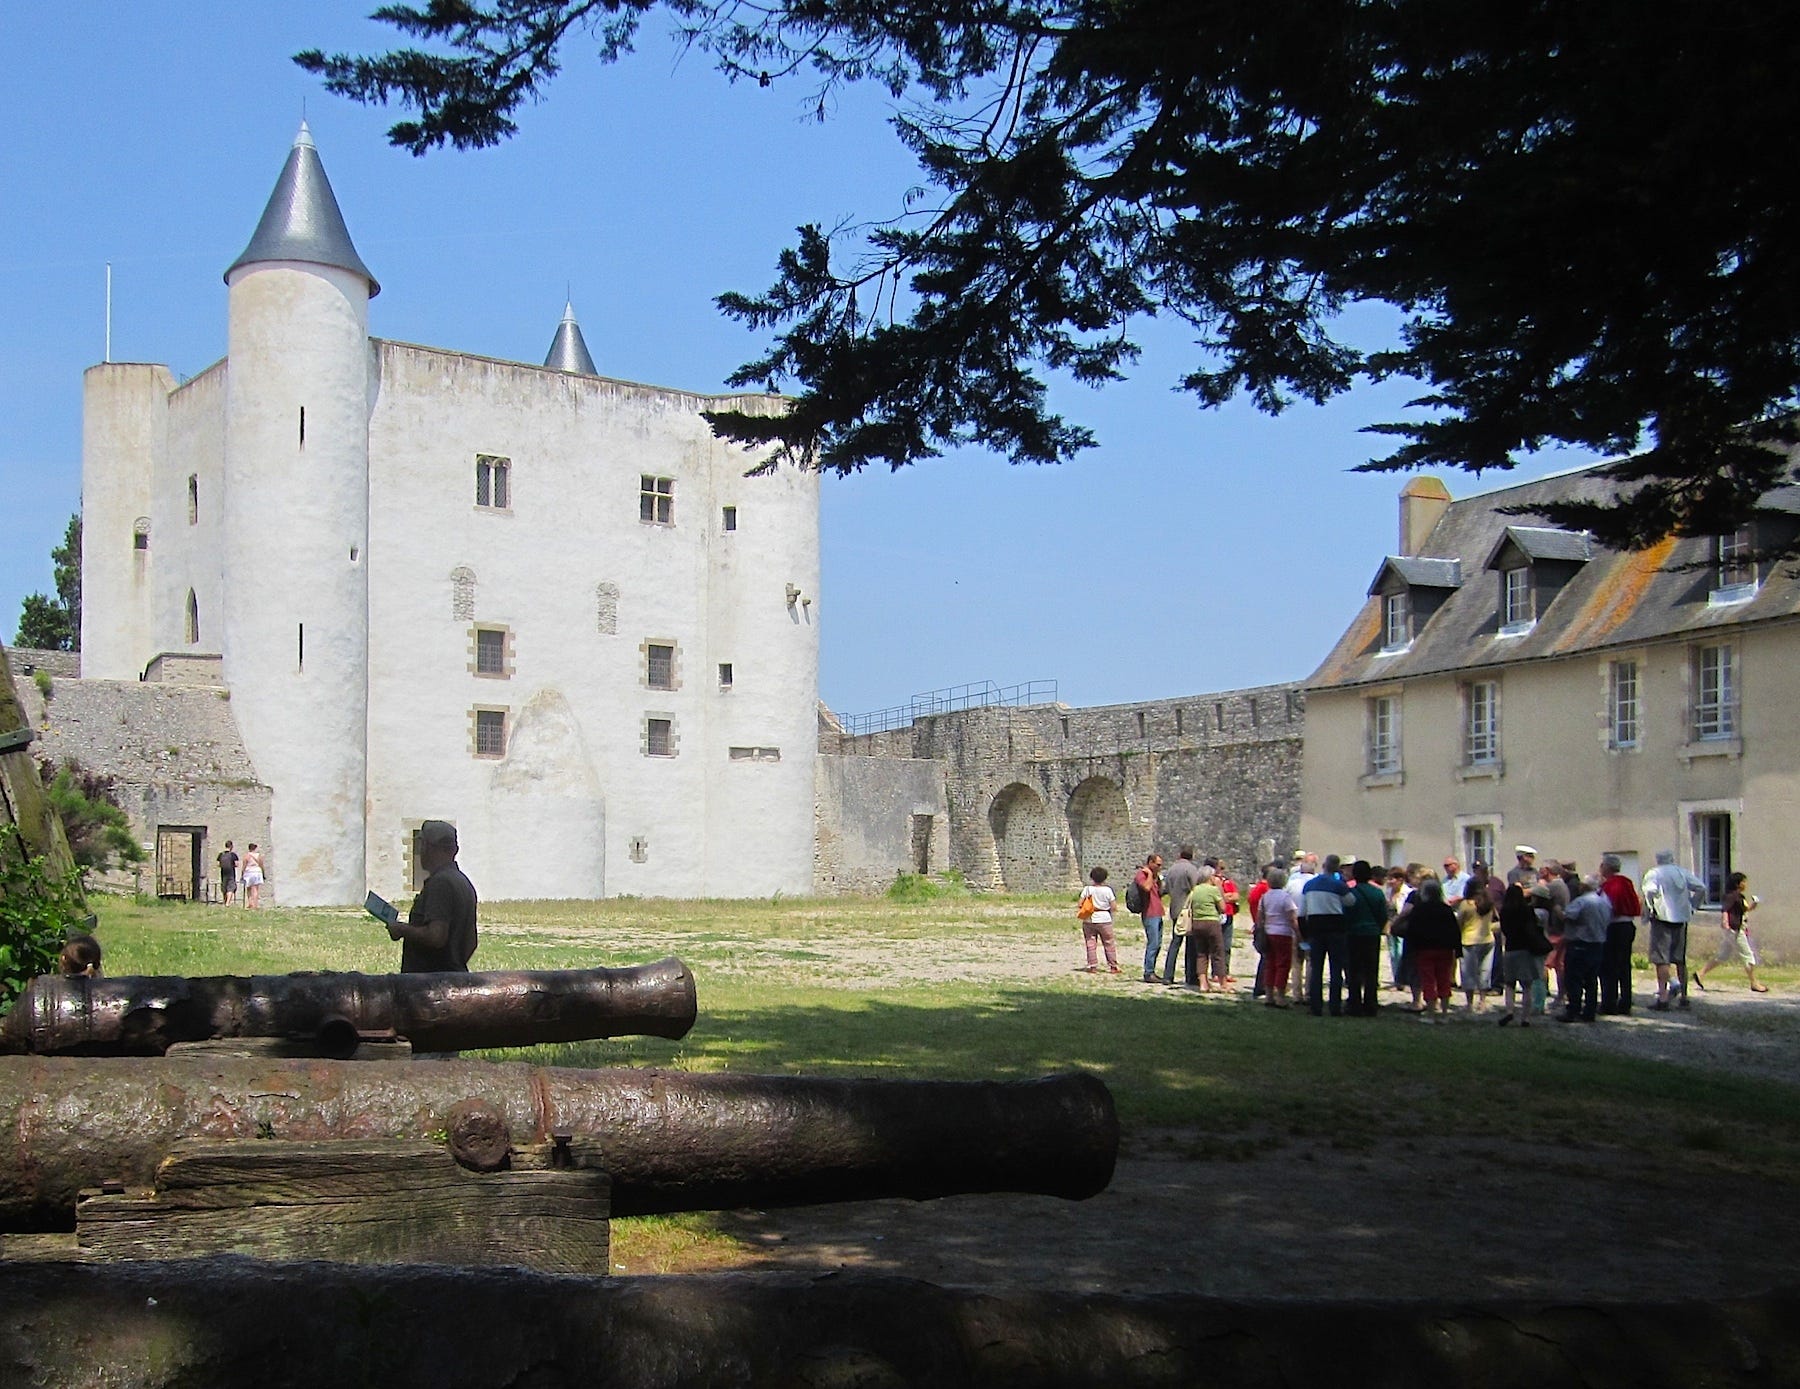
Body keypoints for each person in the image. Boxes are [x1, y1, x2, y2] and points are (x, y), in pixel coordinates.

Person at [386, 820, 478, 972]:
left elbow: (436, 936)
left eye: (421, 845)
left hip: (429, 985)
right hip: (455, 979)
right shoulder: (462, 882)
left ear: (428, 847)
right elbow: (471, 942)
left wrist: (401, 929)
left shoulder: (440, 883)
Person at [1642, 850, 1704, 1010]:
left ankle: (1663, 997)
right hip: (1681, 917)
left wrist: (1651, 907)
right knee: (1680, 959)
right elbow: (1701, 887)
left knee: (1662, 959)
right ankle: (1684, 996)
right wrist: (1692, 906)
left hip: (1662, 918)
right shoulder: (1681, 872)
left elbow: (1649, 891)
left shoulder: (1654, 873)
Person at [1695, 872, 1768, 994]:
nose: (1745, 884)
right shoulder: (1731, 896)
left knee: (1723, 955)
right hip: (1734, 930)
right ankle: (1754, 983)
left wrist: (1754, 904)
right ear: (1738, 884)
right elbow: (1725, 909)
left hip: (1735, 930)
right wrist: (1725, 921)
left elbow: (1746, 909)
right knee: (1748, 956)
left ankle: (1700, 973)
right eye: (1743, 882)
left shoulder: (1740, 897)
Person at [1300, 853, 1351, 1016]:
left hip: (1315, 928)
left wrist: (1304, 934)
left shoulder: (1309, 885)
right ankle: (1335, 1006)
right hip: (1336, 928)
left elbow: (1302, 913)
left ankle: (1315, 1005)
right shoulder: (1339, 886)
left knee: (1316, 969)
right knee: (1336, 969)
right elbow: (1351, 902)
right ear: (1337, 868)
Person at [1495, 883, 1552, 1027]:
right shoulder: (1527, 911)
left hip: (1510, 948)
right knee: (1527, 985)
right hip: (1526, 949)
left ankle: (1509, 1011)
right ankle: (1525, 1018)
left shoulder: (1504, 911)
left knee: (1509, 984)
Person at [1406, 878, 1460, 1022]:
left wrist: (1411, 949)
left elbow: (1412, 930)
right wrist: (1457, 949)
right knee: (1444, 980)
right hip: (1445, 949)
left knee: (1428, 981)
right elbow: (1455, 931)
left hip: (1425, 949)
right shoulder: (1446, 909)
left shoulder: (1419, 910)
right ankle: (1444, 1013)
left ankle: (1431, 1013)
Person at [1559, 876, 1610, 1023]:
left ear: (1585, 887)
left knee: (1574, 979)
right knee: (1591, 979)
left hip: (1579, 943)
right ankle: (1590, 1011)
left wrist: (1557, 911)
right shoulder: (1604, 902)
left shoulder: (1581, 901)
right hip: (1597, 944)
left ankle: (1573, 1009)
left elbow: (1569, 916)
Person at [1342, 859, 1390, 1016]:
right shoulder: (1377, 893)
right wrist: (1376, 926)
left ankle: (1354, 1003)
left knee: (1353, 970)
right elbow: (1383, 915)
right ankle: (1371, 1004)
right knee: (1371, 971)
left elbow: (1345, 914)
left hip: (1353, 934)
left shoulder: (1350, 893)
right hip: (1371, 934)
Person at [1597, 854, 1643, 1015]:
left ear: (1607, 867)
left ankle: (1609, 1002)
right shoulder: (1627, 882)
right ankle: (1625, 1001)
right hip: (1627, 925)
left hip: (1614, 926)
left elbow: (1607, 907)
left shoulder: (1611, 885)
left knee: (1609, 965)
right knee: (1624, 965)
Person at [1256, 867, 1300, 1007]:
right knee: (1283, 965)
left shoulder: (1265, 896)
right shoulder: (1285, 897)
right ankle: (1280, 996)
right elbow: (1292, 918)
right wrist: (1298, 934)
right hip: (1283, 933)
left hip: (1268, 932)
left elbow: (1260, 917)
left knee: (1270, 964)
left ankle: (1269, 995)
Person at [1158, 848, 1202, 987]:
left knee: (1175, 943)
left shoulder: (1171, 869)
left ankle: (1168, 975)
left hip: (1175, 909)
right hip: (1188, 910)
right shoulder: (1191, 869)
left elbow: (1164, 889)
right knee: (1192, 945)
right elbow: (1196, 888)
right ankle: (1191, 976)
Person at [1185, 865, 1227, 991]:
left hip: (1197, 923)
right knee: (1218, 952)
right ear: (1210, 877)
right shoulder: (1213, 890)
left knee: (1201, 953)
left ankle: (1203, 983)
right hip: (1211, 922)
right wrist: (1219, 889)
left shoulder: (1195, 890)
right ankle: (1223, 982)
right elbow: (1223, 907)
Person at [1458, 885, 1497, 1013]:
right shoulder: (1489, 904)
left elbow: (1459, 921)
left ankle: (1469, 1004)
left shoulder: (1466, 904)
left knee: (1469, 972)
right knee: (1484, 971)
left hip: (1469, 939)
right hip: (1487, 938)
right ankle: (1482, 1001)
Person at [1077, 867, 1120, 974]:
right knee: (1108, 942)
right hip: (1104, 918)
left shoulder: (1087, 889)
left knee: (1090, 942)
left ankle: (1093, 966)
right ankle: (1113, 966)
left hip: (1089, 919)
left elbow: (1079, 904)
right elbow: (1113, 907)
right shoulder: (1108, 890)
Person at [1134, 853, 1166, 983]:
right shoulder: (1142, 875)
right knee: (1153, 943)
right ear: (1150, 863)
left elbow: (1159, 892)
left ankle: (1152, 970)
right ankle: (1148, 972)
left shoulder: (1154, 876)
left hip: (1157, 912)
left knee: (1157, 943)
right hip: (1149, 913)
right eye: (1157, 865)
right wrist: (1150, 875)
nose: (1159, 867)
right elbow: (1146, 888)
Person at [1213, 859, 1242, 988]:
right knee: (1216, 945)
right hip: (1217, 915)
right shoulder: (1213, 881)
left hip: (1229, 915)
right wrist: (1226, 896)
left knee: (1227, 944)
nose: (1222, 871)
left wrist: (1227, 896)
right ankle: (1216, 972)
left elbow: (1236, 896)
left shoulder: (1228, 881)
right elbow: (1218, 896)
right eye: (1220, 868)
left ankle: (1225, 971)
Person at [240, 843, 265, 909]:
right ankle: (255, 904)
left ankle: (250, 903)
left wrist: (242, 874)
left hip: (249, 872)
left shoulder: (246, 856)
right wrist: (263, 873)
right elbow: (261, 865)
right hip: (257, 871)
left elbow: (244, 865)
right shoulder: (258, 855)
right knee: (255, 889)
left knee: (248, 888)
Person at [217, 841, 239, 905]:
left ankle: (225, 901)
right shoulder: (233, 855)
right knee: (231, 887)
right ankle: (228, 903)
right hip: (231, 873)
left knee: (224, 887)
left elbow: (218, 864)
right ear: (231, 846)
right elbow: (237, 864)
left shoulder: (221, 854)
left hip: (223, 873)